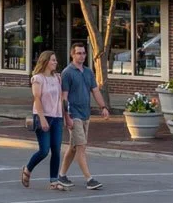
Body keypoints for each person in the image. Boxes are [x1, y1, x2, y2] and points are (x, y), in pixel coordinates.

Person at [57, 42, 110, 190]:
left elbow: (95, 91)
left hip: (85, 114)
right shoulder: (67, 73)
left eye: (84, 53)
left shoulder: (88, 72)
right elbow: (64, 97)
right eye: (78, 53)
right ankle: (89, 179)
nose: (82, 56)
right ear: (72, 54)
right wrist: (67, 116)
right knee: (81, 147)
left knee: (73, 147)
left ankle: (62, 175)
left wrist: (103, 107)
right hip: (74, 115)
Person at [21, 50, 65, 191]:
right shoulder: (38, 78)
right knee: (44, 150)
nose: (55, 62)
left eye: (56, 60)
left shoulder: (58, 78)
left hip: (57, 117)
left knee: (56, 150)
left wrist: (66, 116)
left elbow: (61, 99)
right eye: (53, 60)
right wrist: (42, 118)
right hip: (42, 116)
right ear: (45, 61)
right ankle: (28, 169)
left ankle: (54, 181)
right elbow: (37, 99)